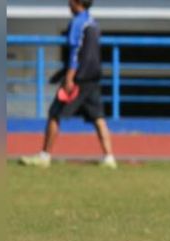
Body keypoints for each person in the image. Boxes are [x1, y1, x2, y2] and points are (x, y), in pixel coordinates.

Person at [20, 0, 116, 169]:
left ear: (77, 2)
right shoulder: (93, 23)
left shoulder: (78, 23)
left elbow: (75, 52)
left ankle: (44, 156)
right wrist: (61, 74)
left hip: (78, 79)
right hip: (93, 78)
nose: (67, 4)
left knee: (54, 114)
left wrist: (69, 77)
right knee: (98, 117)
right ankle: (109, 158)